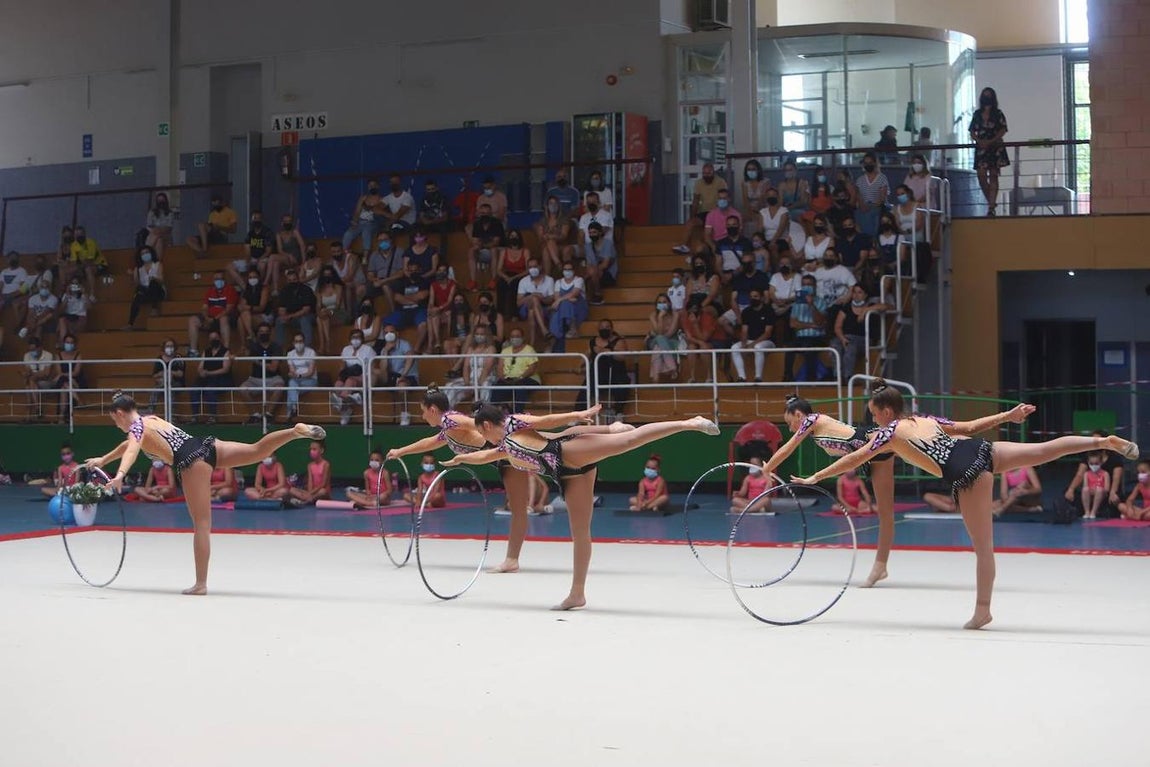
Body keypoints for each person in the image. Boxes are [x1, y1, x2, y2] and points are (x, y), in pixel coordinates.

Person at [791, 380, 1139, 629]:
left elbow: (854, 459)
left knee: (983, 548)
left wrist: (815, 477)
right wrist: (1008, 416)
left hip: (967, 473)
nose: (874, 422)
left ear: (885, 411)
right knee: (1046, 450)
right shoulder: (926, 419)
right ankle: (1102, 441)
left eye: (874, 415)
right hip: (983, 450)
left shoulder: (889, 433)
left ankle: (982, 611)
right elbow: (970, 426)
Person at [444, 407, 720, 610]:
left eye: (482, 432)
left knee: (629, 440)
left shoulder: (516, 424)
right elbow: (487, 455)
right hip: (569, 475)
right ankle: (577, 593)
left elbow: (554, 424)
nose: (482, 437)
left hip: (570, 452)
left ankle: (689, 423)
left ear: (488, 425)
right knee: (580, 532)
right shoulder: (506, 446)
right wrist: (461, 459)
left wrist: (583, 414)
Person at [767, 393, 1035, 589]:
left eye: (788, 420)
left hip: (872, 444)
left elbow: (789, 447)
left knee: (888, 510)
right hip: (871, 449)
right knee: (886, 510)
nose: (790, 425)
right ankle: (881, 567)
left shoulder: (811, 420)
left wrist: (767, 467)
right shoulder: (815, 426)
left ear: (799, 415)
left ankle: (879, 566)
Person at [84, 391, 326, 594]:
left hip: (191, 460)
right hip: (206, 445)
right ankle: (294, 432)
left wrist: (120, 475)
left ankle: (200, 584)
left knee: (201, 524)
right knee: (257, 451)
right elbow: (129, 445)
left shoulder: (136, 428)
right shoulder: (151, 419)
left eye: (115, 421)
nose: (117, 426)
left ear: (119, 413)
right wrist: (103, 460)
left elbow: (131, 451)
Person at [388, 389, 618, 575]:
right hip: (501, 455)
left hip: (505, 452)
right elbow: (429, 443)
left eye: (422, 412)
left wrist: (501, 430)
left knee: (551, 449)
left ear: (433, 409)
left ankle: (609, 429)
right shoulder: (446, 429)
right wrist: (401, 451)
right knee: (552, 448)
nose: (422, 416)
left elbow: (478, 423)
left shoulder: (451, 420)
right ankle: (608, 430)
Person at [969, 86, 1009, 217]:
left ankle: (991, 207)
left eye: (989, 95)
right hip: (981, 147)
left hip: (995, 146)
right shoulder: (977, 114)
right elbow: (972, 131)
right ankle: (991, 202)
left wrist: (991, 140)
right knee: (981, 175)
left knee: (993, 175)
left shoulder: (998, 113)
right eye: (985, 95)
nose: (987, 98)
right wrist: (980, 141)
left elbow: (1003, 129)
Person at [188, 271, 238, 355]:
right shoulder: (210, 291)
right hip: (210, 317)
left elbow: (229, 309)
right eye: (216, 279)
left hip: (224, 317)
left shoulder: (230, 290)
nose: (219, 281)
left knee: (224, 319)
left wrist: (215, 318)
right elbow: (204, 308)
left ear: (225, 280)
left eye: (221, 279)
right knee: (192, 320)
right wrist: (207, 318)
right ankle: (193, 351)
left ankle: (225, 350)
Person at [195, 332, 233, 424]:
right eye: (211, 338)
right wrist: (201, 372)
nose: (213, 340)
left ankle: (213, 416)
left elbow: (225, 369)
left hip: (222, 379)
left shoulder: (226, 351)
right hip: (208, 378)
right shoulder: (206, 351)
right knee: (194, 389)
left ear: (219, 339)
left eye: (215, 338)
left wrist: (209, 373)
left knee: (210, 389)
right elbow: (200, 367)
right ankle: (194, 417)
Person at [126, 245, 165, 330]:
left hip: (158, 291)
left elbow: (162, 280)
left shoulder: (158, 265)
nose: (145, 255)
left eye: (147, 252)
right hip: (145, 292)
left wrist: (154, 278)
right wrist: (134, 275)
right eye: (143, 253)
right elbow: (137, 284)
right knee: (138, 294)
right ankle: (130, 323)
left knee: (153, 283)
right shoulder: (139, 269)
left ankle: (154, 308)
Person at [22, 337, 57, 420]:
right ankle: (37, 409)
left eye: (33, 349)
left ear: (40, 347)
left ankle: (29, 415)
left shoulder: (48, 355)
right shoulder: (27, 355)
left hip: (46, 382)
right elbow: (28, 371)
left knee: (29, 383)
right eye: (30, 349)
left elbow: (46, 374)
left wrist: (33, 375)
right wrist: (31, 374)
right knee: (29, 385)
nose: (31, 352)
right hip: (33, 382)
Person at [284, 333, 318, 421]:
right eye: (296, 341)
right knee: (292, 384)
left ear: (304, 342)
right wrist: (293, 374)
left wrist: (298, 375)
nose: (299, 343)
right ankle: (294, 407)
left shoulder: (311, 352)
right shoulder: (290, 354)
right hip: (296, 380)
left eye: (300, 341)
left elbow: (311, 372)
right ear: (293, 343)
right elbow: (292, 371)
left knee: (291, 387)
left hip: (310, 380)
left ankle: (290, 411)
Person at [289, 441, 331, 507]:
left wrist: (311, 493)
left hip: (321, 492)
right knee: (292, 489)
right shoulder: (310, 465)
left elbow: (323, 484)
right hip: (312, 492)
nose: (311, 451)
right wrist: (309, 492)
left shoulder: (326, 464)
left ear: (321, 450)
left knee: (322, 491)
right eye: (311, 449)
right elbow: (310, 481)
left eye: (314, 449)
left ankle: (306, 500)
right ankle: (310, 498)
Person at [1080, 451, 1110, 520]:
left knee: (1099, 490)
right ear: (1088, 463)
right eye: (1091, 464)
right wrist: (1091, 490)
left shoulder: (1105, 474)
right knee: (1085, 489)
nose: (1094, 466)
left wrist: (1097, 489)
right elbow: (1085, 486)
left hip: (1101, 493)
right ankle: (1087, 511)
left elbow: (1106, 489)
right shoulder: (1086, 474)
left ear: (1101, 463)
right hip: (1090, 492)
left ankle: (1093, 511)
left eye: (1096, 464)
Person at [145, 192, 174, 261]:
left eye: (162, 200)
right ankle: (157, 263)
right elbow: (149, 226)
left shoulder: (170, 213)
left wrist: (159, 231)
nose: (161, 202)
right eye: (159, 200)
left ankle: (145, 251)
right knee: (159, 240)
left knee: (158, 236)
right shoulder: (151, 212)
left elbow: (169, 228)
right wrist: (157, 231)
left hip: (166, 236)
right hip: (154, 235)